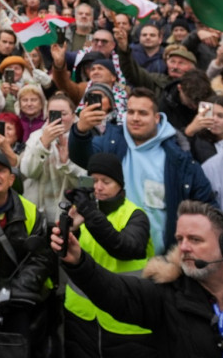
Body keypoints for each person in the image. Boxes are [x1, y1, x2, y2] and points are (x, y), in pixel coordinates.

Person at [53, 200, 223, 357]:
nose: (184, 247)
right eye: (180, 239)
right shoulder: (167, 295)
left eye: (195, 240)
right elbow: (115, 292)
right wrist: (79, 262)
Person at [69, 86, 215, 254]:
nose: (135, 118)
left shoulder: (178, 159)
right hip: (107, 252)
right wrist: (80, 131)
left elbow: (207, 205)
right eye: (131, 112)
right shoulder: (110, 143)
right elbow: (82, 157)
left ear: (157, 118)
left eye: (143, 113)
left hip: (159, 260)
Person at [61, 153, 155, 358]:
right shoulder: (81, 213)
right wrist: (70, 229)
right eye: (93, 181)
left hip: (126, 322)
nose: (98, 187)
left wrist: (90, 213)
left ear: (120, 185)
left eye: (106, 181)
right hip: (82, 316)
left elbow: (125, 248)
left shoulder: (135, 215)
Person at [0, 147, 55, 353]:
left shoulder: (31, 212)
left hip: (21, 300)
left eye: (1, 171)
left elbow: (42, 258)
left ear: (11, 179)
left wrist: (16, 293)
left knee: (18, 348)